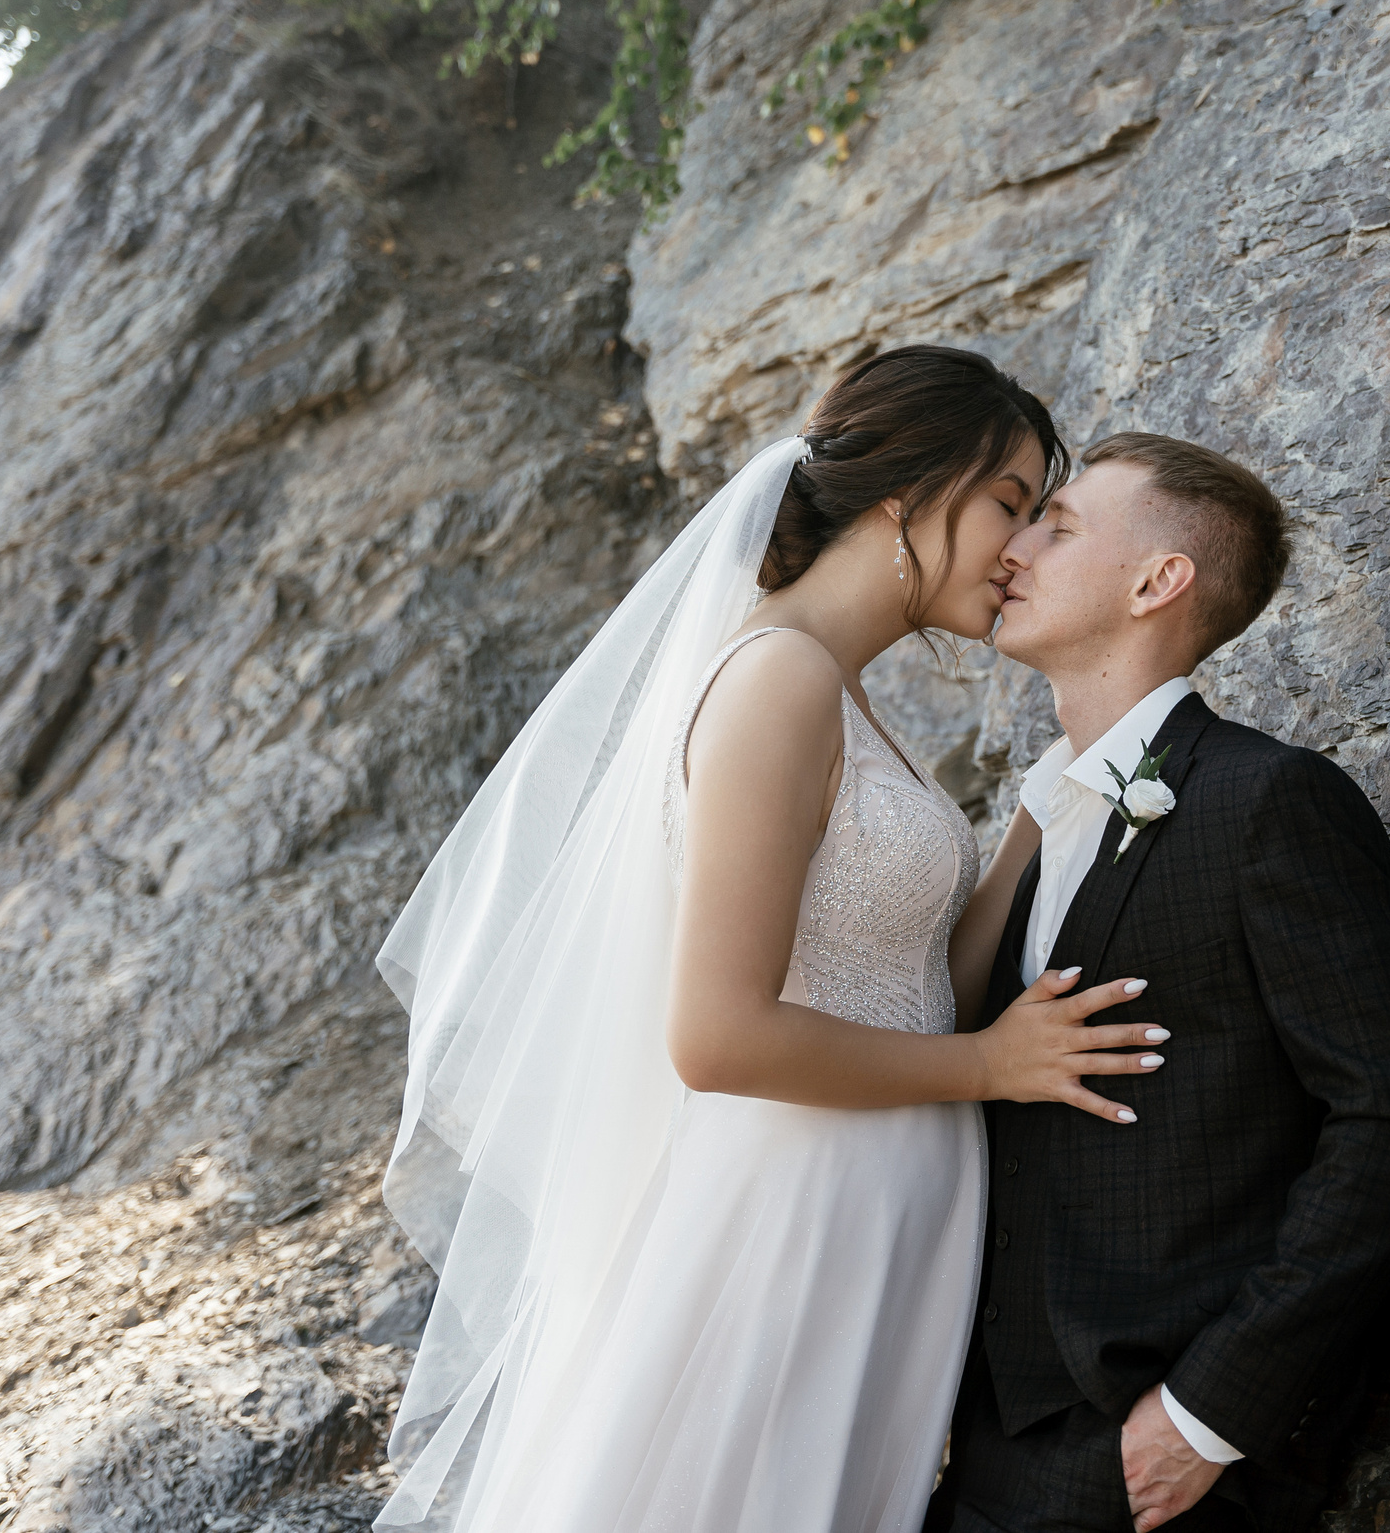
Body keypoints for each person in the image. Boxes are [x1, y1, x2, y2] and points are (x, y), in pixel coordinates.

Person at [370, 347, 1170, 1533]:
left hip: (873, 1213)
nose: (1015, 549)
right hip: (782, 1213)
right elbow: (718, 1035)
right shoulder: (775, 681)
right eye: (1006, 502)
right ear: (909, 493)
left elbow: (901, 992)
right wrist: (992, 1067)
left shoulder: (838, 691)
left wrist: (1043, 821)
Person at [929, 434, 1390, 1533]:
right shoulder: (1042, 815)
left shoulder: (1270, 800)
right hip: (978, 1444)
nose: (1016, 547)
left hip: (1154, 1465)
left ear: (1157, 581)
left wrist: (1203, 1418)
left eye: (1061, 523)